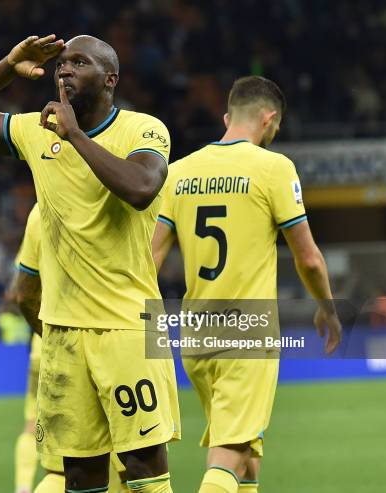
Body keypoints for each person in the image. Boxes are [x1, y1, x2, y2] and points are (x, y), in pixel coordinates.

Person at [0, 34, 180, 493]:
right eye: (62, 63)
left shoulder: (143, 129)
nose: (64, 69)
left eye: (79, 63)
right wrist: (9, 64)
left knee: (145, 470)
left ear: (109, 79)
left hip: (128, 325)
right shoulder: (36, 130)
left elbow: (142, 187)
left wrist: (74, 134)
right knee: (80, 477)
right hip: (64, 335)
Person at [151, 76, 342, 493]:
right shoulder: (274, 168)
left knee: (246, 455)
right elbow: (308, 258)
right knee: (230, 452)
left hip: (195, 333)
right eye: (276, 127)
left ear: (227, 117)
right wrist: (327, 307)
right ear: (269, 119)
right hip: (247, 329)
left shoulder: (178, 173)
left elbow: (150, 258)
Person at [12, 204, 130, 493]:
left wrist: (51, 338)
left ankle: (23, 488)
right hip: (118, 339)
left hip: (53, 344)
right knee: (134, 457)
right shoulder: (119, 202)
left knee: (60, 465)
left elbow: (23, 292)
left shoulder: (40, 211)